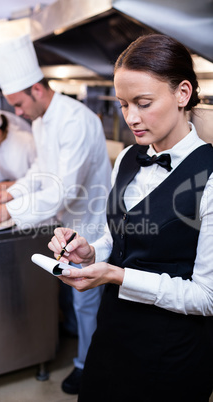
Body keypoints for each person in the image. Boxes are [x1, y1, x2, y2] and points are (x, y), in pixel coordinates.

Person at [48, 34, 213, 402]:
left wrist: (117, 276)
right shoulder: (127, 157)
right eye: (123, 105)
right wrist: (91, 253)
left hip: (172, 353)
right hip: (112, 335)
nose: (131, 118)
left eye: (143, 103)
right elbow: (116, 236)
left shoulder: (211, 175)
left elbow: (207, 296)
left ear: (182, 94)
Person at [0, 34, 112, 394]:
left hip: (90, 224)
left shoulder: (75, 121)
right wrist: (15, 190)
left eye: (18, 104)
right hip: (65, 223)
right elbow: (42, 168)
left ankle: (87, 365)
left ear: (37, 90)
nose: (18, 114)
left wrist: (11, 209)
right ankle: (78, 337)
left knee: (87, 298)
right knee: (74, 294)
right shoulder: (41, 121)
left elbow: (63, 189)